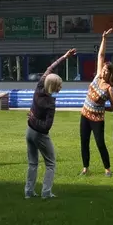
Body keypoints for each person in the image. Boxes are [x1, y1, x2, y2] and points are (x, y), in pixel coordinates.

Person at [25, 49, 75, 199]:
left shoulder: (40, 86)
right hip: (39, 134)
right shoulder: (50, 103)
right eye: (59, 86)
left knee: (32, 163)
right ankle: (46, 193)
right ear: (54, 87)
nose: (60, 88)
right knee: (51, 163)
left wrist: (65, 57)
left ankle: (28, 192)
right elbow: (46, 127)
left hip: (29, 131)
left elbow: (49, 68)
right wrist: (35, 119)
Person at [79, 29, 113, 176]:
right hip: (85, 114)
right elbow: (101, 55)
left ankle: (107, 169)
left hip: (97, 119)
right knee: (84, 142)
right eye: (102, 70)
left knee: (100, 143)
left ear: (109, 75)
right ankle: (85, 168)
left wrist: (103, 108)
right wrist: (104, 38)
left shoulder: (109, 88)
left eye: (106, 72)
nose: (103, 72)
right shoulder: (96, 77)